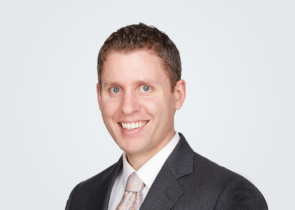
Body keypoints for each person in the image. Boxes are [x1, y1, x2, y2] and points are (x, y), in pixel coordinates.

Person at [65, 23, 268, 210]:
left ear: (178, 95)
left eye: (145, 88)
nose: (127, 108)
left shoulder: (227, 195)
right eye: (115, 89)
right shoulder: (82, 197)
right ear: (99, 97)